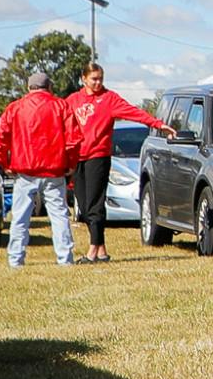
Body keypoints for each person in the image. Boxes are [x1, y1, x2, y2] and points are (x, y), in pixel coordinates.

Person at [62, 63, 171, 262]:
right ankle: (101, 249)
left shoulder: (109, 99)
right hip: (78, 157)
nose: (97, 83)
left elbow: (133, 112)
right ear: (84, 78)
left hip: (98, 156)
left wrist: (158, 124)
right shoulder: (72, 100)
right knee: (84, 207)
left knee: (95, 203)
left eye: (100, 78)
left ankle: (93, 251)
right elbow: (59, 122)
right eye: (94, 79)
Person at [0, 70, 78, 268]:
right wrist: (70, 164)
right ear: (49, 87)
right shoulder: (61, 106)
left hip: (25, 171)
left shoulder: (15, 108)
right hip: (54, 170)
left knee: (20, 217)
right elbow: (73, 140)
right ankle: (65, 259)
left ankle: (16, 259)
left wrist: (4, 164)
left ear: (28, 88)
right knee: (59, 216)